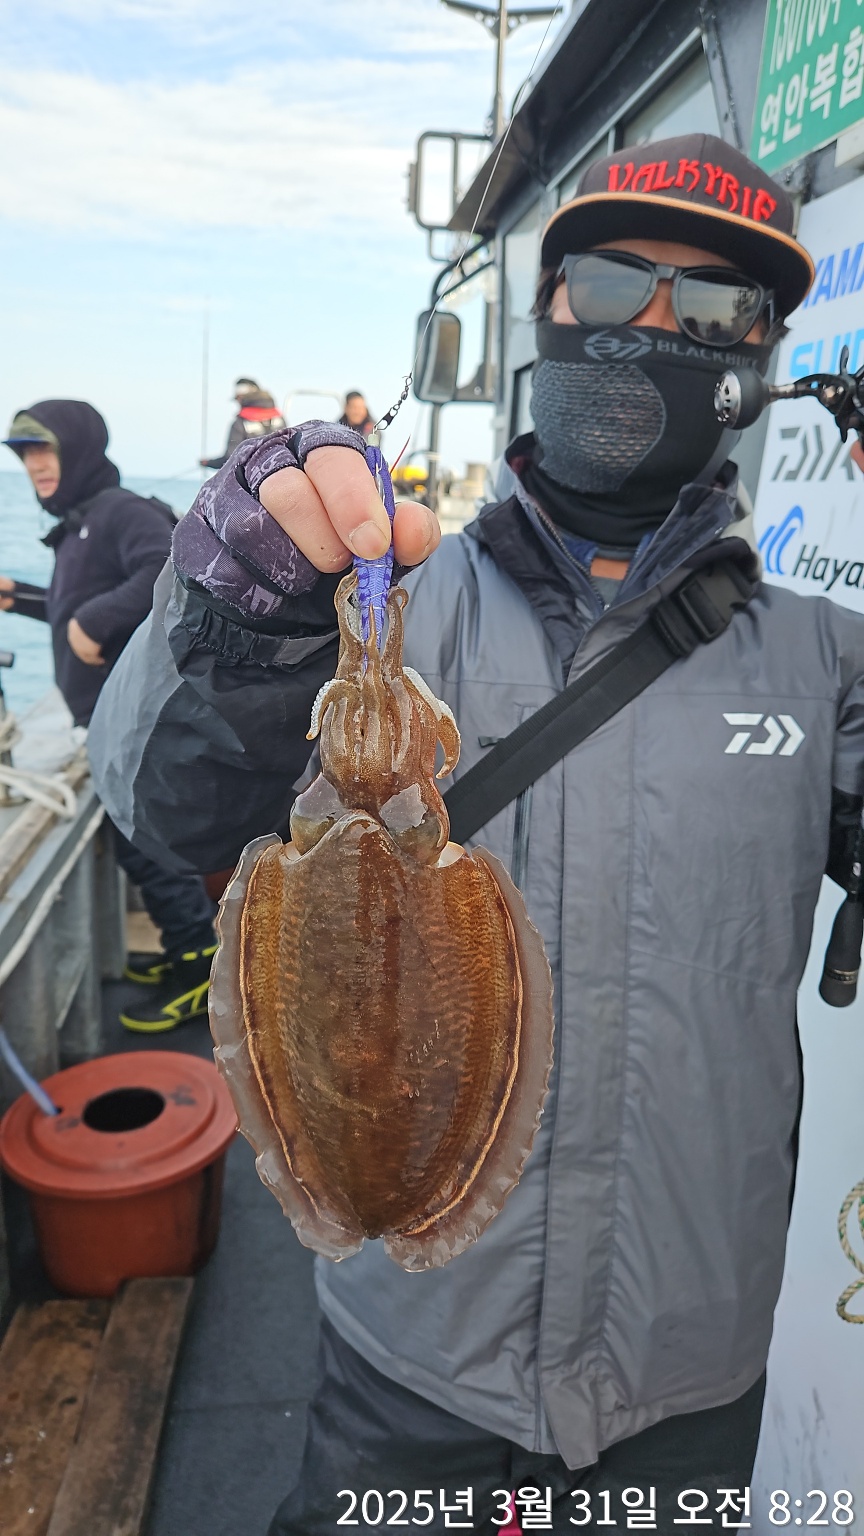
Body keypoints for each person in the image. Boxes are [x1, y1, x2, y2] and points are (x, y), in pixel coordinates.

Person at [88, 135, 864, 1528]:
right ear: (547, 307)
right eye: (614, 282)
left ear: (758, 355)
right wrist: (231, 612)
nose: (653, 328)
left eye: (712, 308)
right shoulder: (378, 604)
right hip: (414, 1353)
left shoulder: (827, 657)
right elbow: (165, 798)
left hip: (694, 1355)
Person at [2, 400, 217, 1031]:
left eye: (45, 449)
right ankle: (187, 951)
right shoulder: (81, 523)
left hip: (134, 722)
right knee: (133, 844)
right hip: (109, 721)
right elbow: (76, 607)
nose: (36, 465)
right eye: (25, 455)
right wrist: (21, 599)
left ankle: (197, 971)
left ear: (79, 450)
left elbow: (171, 567)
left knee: (146, 846)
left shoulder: (119, 511)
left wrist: (94, 622)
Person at [200, 378, 287, 470]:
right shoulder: (279, 418)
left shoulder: (240, 423)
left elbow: (231, 459)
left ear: (242, 398)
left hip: (254, 475)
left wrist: (208, 463)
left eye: (238, 398)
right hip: (281, 470)